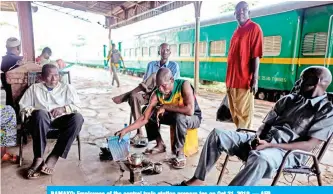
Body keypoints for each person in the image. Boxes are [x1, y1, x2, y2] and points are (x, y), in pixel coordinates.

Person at [177, 66, 333, 186]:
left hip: (289, 152)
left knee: (260, 158)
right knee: (217, 134)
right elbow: (266, 124)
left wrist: (270, 145)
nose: (298, 84)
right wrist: (258, 138)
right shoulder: (289, 99)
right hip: (266, 141)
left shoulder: (327, 111)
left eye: (303, 80)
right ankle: (197, 180)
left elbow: (309, 145)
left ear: (316, 82)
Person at [115, 68, 201, 169]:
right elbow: (144, 118)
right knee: (147, 112)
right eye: (158, 86)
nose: (160, 89)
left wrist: (164, 107)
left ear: (172, 80)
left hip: (192, 118)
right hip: (174, 116)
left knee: (179, 117)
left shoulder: (184, 85)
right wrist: (125, 130)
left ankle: (180, 153)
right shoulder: (156, 94)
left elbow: (189, 110)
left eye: (164, 85)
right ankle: (160, 144)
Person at [19, 64, 84, 179]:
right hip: (39, 121)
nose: (54, 79)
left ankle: (54, 156)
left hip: (60, 120)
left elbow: (78, 107)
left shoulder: (67, 88)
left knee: (78, 118)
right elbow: (23, 107)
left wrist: (64, 109)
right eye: (50, 76)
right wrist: (37, 111)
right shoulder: (34, 88)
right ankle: (38, 158)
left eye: (56, 75)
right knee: (41, 114)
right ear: (42, 77)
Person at [112, 43, 180, 144]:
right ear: (159, 52)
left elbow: (171, 86)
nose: (164, 52)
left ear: (170, 52)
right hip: (149, 93)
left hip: (164, 96)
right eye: (162, 50)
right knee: (134, 96)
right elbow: (145, 82)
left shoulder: (174, 66)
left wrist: (153, 86)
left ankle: (125, 96)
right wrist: (147, 91)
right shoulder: (151, 64)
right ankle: (139, 132)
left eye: (167, 50)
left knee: (154, 76)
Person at [225, 1, 263, 129]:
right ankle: (239, 139)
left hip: (244, 81)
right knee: (235, 114)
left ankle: (243, 144)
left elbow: (256, 55)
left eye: (244, 9)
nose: (241, 12)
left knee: (244, 117)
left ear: (249, 12)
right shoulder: (236, 32)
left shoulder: (254, 28)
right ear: (234, 14)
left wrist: (255, 79)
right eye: (238, 10)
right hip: (231, 82)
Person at [1, 37, 24, 106]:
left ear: (6, 47)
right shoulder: (20, 60)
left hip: (9, 96)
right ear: (18, 47)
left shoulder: (4, 60)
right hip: (18, 98)